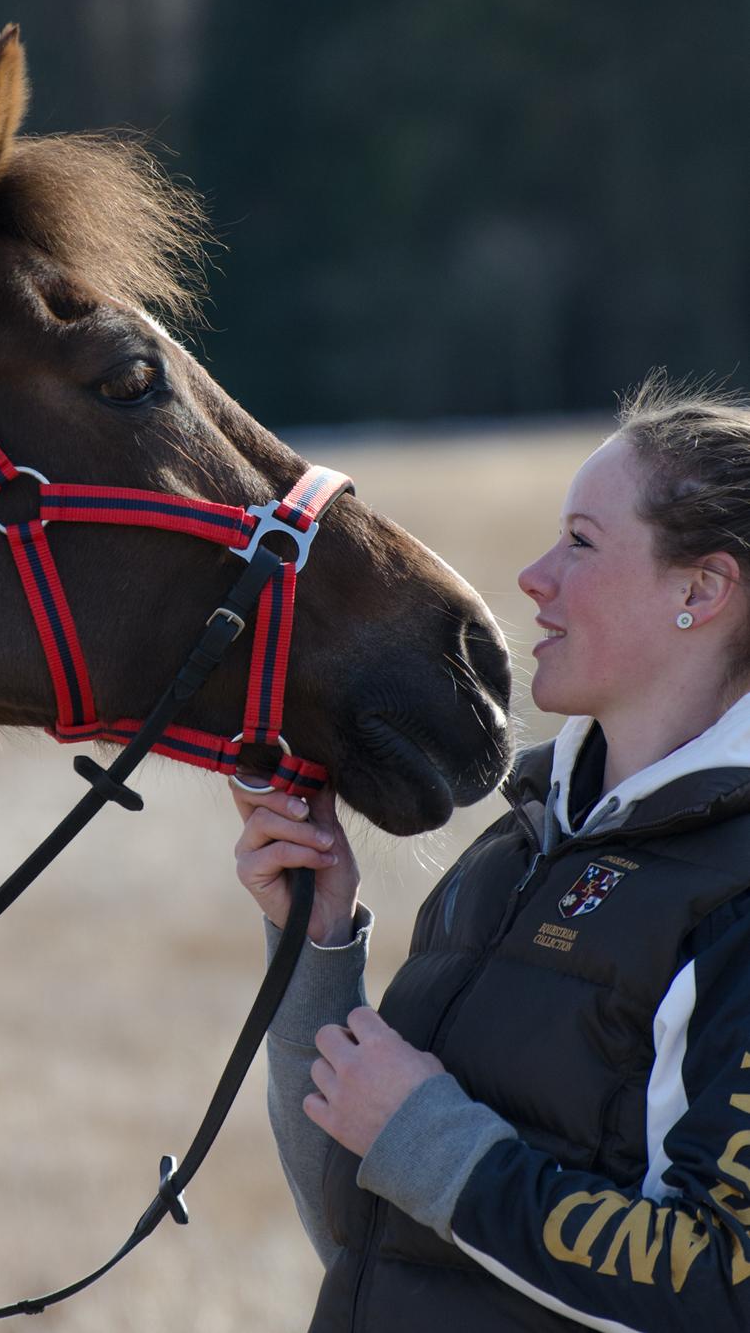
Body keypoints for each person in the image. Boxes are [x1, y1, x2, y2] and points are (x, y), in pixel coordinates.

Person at [232, 376, 750, 1331]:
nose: (534, 577)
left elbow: (723, 1284)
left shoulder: (736, 898)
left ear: (701, 588)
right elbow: (362, 1226)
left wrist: (428, 1137)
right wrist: (316, 936)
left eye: (583, 544)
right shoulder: (523, 839)